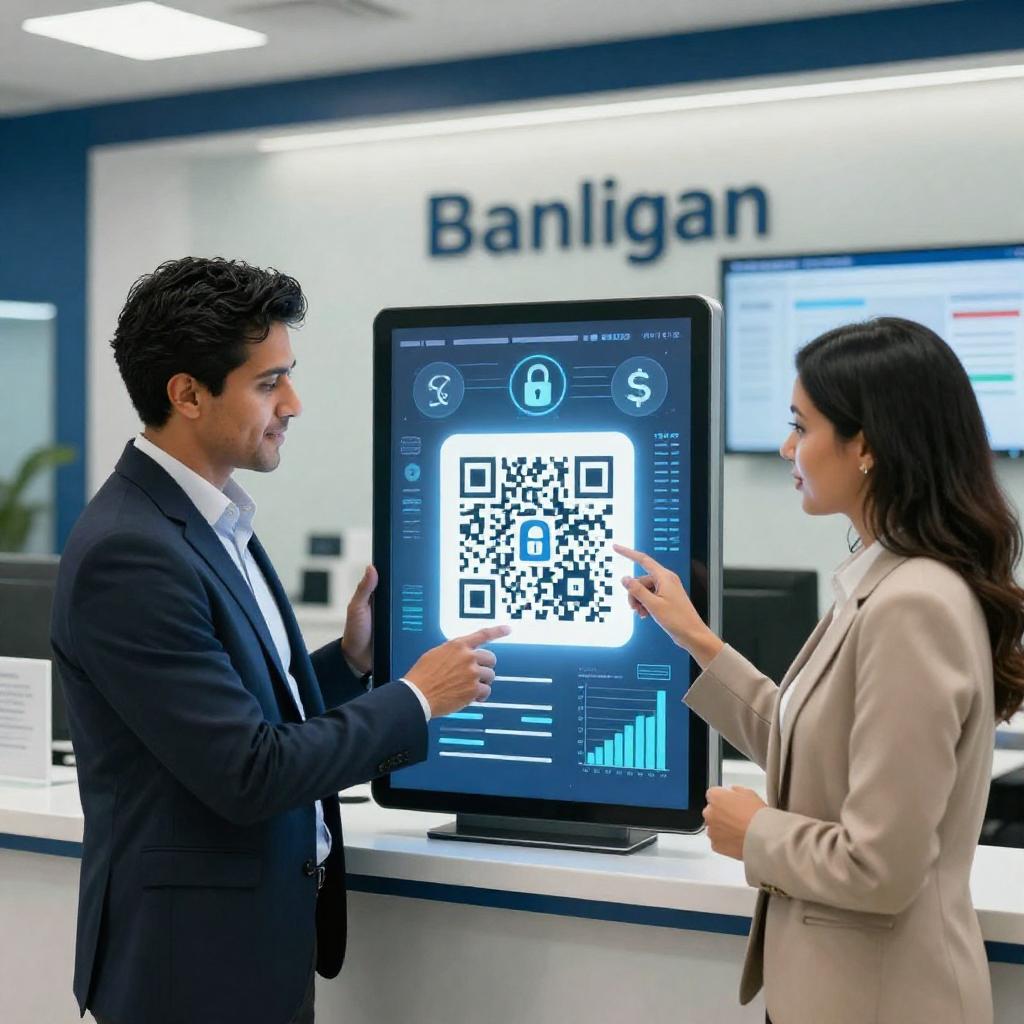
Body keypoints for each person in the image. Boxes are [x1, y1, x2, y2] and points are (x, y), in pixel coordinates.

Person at [50, 257, 508, 1024]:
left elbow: (245, 712)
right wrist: (417, 699)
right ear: (188, 394)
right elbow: (249, 771)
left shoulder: (213, 519)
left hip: (250, 954)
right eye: (269, 383)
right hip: (189, 974)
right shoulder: (129, 554)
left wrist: (353, 663)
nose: (293, 403)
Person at [616, 317, 1024, 1024]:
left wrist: (757, 832)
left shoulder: (913, 604)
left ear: (865, 445)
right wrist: (696, 641)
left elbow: (881, 867)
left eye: (801, 426)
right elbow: (816, 751)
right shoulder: (884, 582)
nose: (786, 447)